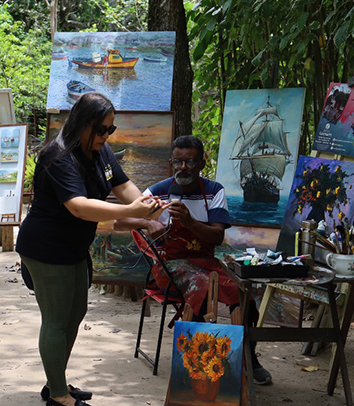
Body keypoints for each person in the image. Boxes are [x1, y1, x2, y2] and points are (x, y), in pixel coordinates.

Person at [16, 93, 166, 406]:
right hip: (45, 249)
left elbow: (123, 185)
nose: (106, 137)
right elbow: (79, 206)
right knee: (57, 319)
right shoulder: (58, 156)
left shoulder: (100, 152)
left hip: (73, 248)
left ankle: (55, 380)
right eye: (101, 130)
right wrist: (131, 210)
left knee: (76, 311)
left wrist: (146, 205)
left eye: (110, 130)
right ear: (83, 124)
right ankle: (58, 395)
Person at [114, 135, 273, 385]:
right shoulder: (158, 192)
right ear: (171, 163)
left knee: (242, 293)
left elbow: (218, 237)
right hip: (170, 264)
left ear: (201, 163)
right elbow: (119, 221)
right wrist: (148, 221)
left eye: (190, 162)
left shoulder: (213, 191)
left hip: (205, 261)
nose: (184, 168)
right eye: (178, 162)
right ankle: (200, 361)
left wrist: (190, 222)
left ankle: (248, 357)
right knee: (201, 287)